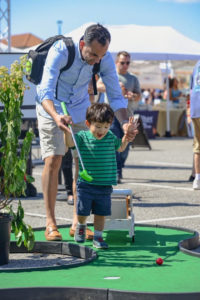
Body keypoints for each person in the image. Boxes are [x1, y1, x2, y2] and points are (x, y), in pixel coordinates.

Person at [36, 23, 138, 241]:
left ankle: (78, 223)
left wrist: (125, 124)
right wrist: (56, 117)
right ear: (83, 44)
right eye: (93, 54)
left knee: (83, 163)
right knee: (53, 159)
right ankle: (50, 223)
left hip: (81, 108)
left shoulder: (105, 58)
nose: (97, 61)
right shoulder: (61, 50)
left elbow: (116, 96)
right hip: (51, 106)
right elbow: (45, 89)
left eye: (101, 55)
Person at [65, 103, 136, 248]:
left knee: (101, 213)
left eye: (106, 126)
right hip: (86, 184)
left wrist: (126, 138)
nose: (102, 130)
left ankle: (98, 237)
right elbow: (69, 143)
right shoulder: (82, 136)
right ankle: (81, 225)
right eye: (97, 126)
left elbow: (121, 147)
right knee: (82, 211)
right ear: (87, 123)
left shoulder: (110, 136)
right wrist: (66, 130)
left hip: (104, 185)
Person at [97, 51, 141, 183]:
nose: (125, 65)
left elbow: (138, 95)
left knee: (127, 143)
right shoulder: (111, 75)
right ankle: (117, 171)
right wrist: (115, 89)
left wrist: (132, 95)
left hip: (127, 114)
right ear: (117, 62)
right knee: (115, 142)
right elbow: (98, 86)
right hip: (110, 113)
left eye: (128, 62)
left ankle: (120, 165)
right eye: (122, 62)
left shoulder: (133, 78)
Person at [190, 60, 200, 190]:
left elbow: (191, 89)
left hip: (196, 109)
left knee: (198, 144)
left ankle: (197, 178)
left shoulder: (196, 64)